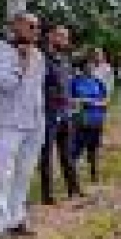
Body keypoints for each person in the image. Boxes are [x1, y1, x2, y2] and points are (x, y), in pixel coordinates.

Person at [0, 12, 47, 239]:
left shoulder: (38, 55)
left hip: (33, 122)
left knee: (24, 173)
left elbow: (37, 88)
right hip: (7, 123)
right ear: (15, 27)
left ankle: (16, 219)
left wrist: (41, 118)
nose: (36, 31)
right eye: (31, 26)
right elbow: (4, 84)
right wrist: (21, 60)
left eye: (37, 27)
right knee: (3, 175)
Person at [38, 24, 83, 204]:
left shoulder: (65, 60)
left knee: (67, 153)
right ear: (52, 38)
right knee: (47, 155)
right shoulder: (42, 60)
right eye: (62, 37)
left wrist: (71, 101)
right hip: (49, 114)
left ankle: (73, 188)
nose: (66, 40)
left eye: (67, 37)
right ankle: (47, 195)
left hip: (66, 113)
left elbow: (65, 86)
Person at [71, 57, 110, 182]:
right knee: (78, 147)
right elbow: (73, 100)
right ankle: (73, 171)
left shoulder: (98, 82)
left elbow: (105, 100)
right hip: (81, 120)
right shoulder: (75, 82)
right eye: (88, 66)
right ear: (82, 67)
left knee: (93, 148)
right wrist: (89, 101)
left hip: (96, 119)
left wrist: (94, 103)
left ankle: (94, 173)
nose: (91, 68)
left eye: (92, 66)